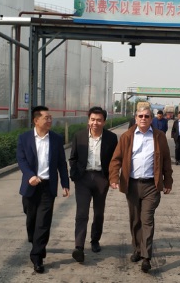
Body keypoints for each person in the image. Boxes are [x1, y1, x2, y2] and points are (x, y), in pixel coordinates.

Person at [109, 106, 173, 273]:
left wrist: (168, 181)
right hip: (132, 185)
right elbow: (116, 159)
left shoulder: (159, 137)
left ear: (151, 119)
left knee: (147, 219)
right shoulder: (127, 136)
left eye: (147, 116)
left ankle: (146, 257)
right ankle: (137, 249)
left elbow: (166, 160)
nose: (143, 118)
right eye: (140, 116)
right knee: (135, 220)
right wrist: (114, 178)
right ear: (136, 118)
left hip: (152, 185)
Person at [17, 106, 70, 273]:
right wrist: (30, 175)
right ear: (36, 120)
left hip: (48, 186)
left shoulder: (56, 139)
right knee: (31, 219)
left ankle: (37, 256)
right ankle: (36, 242)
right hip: (31, 185)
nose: (49, 120)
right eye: (46, 118)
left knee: (43, 222)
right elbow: (21, 160)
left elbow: (61, 162)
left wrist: (65, 183)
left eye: (50, 118)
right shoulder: (24, 138)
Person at [69, 106, 119, 263]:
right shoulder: (79, 136)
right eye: (92, 119)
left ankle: (95, 240)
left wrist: (112, 178)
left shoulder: (111, 138)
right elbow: (73, 158)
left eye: (98, 120)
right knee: (81, 213)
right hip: (83, 179)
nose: (95, 123)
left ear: (104, 122)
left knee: (98, 213)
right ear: (88, 120)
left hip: (101, 179)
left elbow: (115, 160)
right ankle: (79, 247)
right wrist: (75, 175)